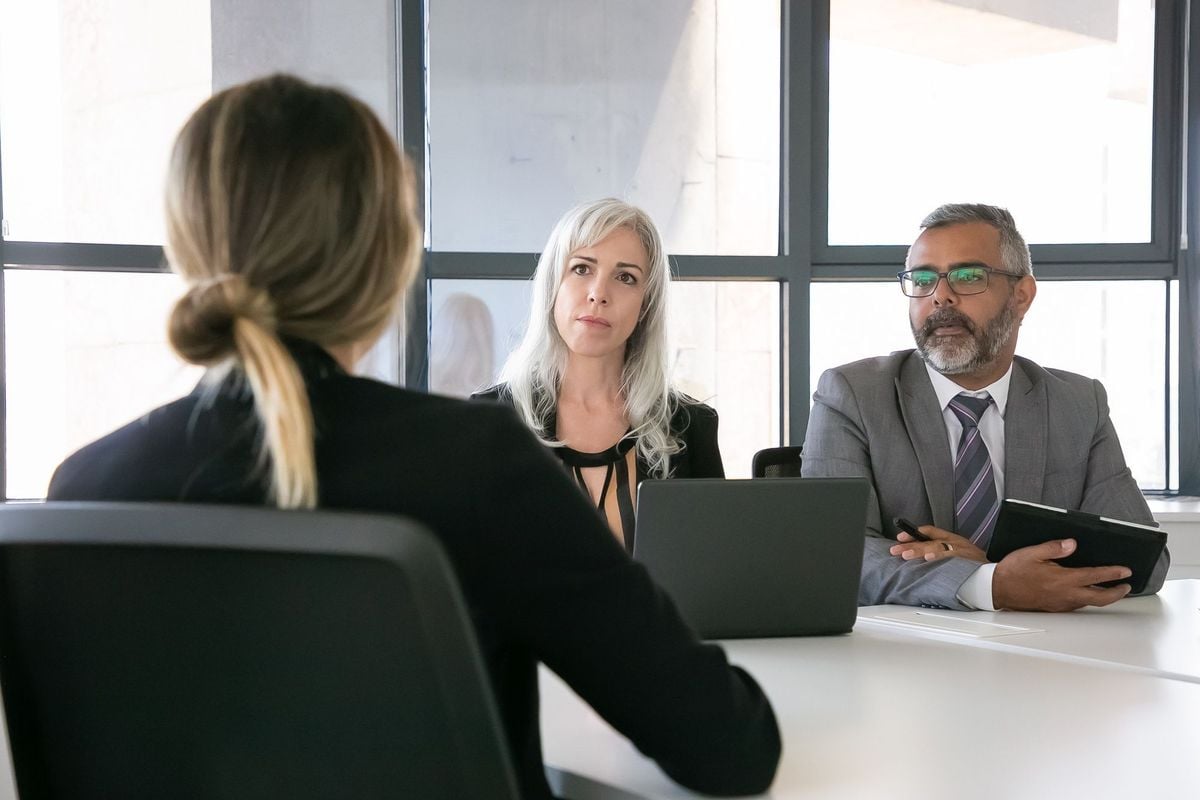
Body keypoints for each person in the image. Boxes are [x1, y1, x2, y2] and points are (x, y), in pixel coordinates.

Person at [46, 75, 779, 798]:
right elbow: (731, 747)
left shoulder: (82, 492)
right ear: (389, 260)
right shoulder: (483, 465)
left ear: (185, 244)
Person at [801, 202, 1169, 612]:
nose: (940, 296)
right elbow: (832, 556)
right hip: (902, 660)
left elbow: (1146, 564)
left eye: (968, 276)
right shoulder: (852, 394)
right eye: (922, 280)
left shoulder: (1079, 403)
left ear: (1022, 295)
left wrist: (991, 566)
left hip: (1046, 654)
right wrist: (989, 582)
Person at [474, 199, 723, 552]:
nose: (598, 294)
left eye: (625, 277)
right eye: (581, 269)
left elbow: (710, 578)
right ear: (553, 285)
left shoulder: (691, 427)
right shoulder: (488, 423)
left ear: (645, 305)